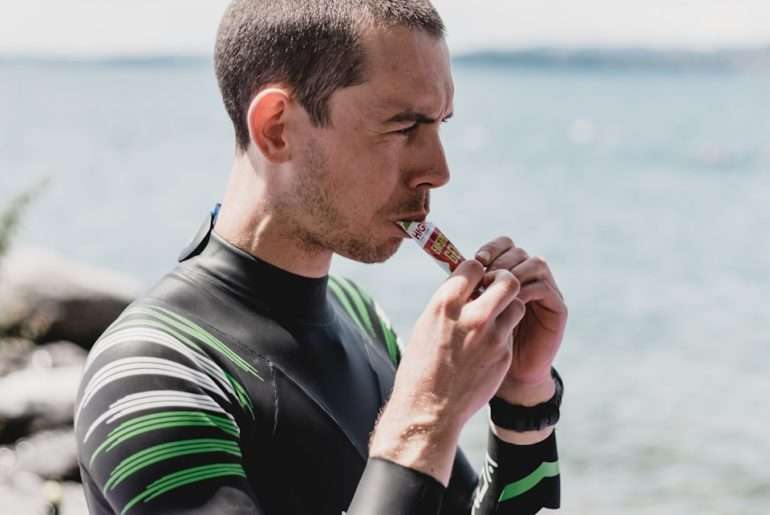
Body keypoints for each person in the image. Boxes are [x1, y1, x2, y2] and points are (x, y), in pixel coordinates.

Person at [74, 1, 569, 514]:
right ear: (276, 128)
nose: (439, 170)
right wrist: (425, 418)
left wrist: (521, 400)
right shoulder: (151, 376)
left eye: (440, 124)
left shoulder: (358, 315)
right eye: (403, 127)